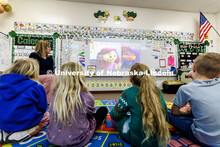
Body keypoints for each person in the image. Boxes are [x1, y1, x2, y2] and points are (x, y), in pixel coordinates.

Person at [47, 62, 108, 147]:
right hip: (78, 140)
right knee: (102, 110)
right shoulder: (86, 96)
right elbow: (92, 113)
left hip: (54, 138)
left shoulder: (55, 96)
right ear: (80, 77)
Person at [110, 63, 170, 147]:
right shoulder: (157, 91)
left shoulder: (128, 93)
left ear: (131, 79)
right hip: (160, 139)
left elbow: (115, 114)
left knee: (116, 116)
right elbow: (165, 114)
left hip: (139, 140)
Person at [169, 52, 220, 146]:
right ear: (218, 74)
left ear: (193, 68)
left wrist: (183, 112)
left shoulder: (186, 88)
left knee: (168, 112)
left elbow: (174, 112)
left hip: (204, 139)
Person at [0, 58, 48, 144]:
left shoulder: (1, 82)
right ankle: (24, 132)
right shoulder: (36, 86)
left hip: (2, 122)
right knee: (47, 116)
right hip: (22, 123)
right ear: (33, 71)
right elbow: (42, 107)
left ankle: (3, 132)